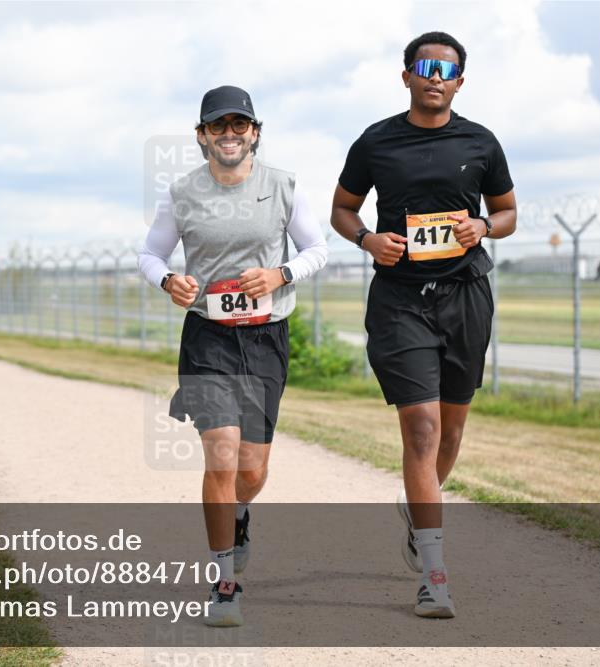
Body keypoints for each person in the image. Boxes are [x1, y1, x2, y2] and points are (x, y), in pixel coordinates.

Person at [331, 32, 517, 619]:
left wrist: (483, 227)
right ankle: (434, 576)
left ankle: (419, 511)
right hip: (400, 301)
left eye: (448, 69)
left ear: (460, 82)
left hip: (464, 298)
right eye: (426, 66)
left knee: (452, 434)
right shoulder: (377, 141)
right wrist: (367, 239)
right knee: (421, 428)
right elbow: (342, 208)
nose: (436, 75)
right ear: (407, 74)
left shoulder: (481, 142)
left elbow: (509, 212)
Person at [138, 85, 327, 627]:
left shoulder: (284, 186)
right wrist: (168, 279)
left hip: (266, 337)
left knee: (251, 470)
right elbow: (149, 253)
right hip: (208, 336)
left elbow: (316, 249)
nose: (229, 134)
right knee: (220, 453)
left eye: (239, 125)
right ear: (201, 136)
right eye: (217, 126)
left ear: (255, 133)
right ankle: (225, 583)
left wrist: (280, 274)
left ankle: (240, 516)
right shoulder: (181, 193)